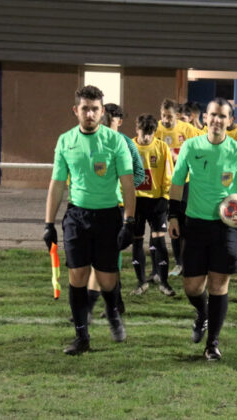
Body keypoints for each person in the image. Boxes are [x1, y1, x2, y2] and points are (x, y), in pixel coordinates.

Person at [43, 85, 136, 355]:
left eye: (95, 109)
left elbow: (128, 185)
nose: (90, 113)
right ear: (76, 110)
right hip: (76, 216)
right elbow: (57, 184)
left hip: (109, 216)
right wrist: (48, 223)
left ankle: (112, 311)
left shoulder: (115, 141)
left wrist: (129, 222)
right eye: (85, 108)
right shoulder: (65, 141)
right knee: (78, 276)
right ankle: (81, 338)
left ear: (102, 111)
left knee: (107, 280)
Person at [168, 98, 237, 361]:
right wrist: (173, 216)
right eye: (213, 115)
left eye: (223, 116)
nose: (217, 120)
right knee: (192, 287)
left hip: (226, 228)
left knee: (219, 284)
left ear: (230, 121)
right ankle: (202, 313)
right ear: (205, 118)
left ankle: (212, 344)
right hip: (195, 224)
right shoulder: (191, 146)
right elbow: (176, 184)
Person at [80, 103, 146, 321]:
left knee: (110, 258)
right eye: (106, 117)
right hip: (95, 206)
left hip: (116, 207)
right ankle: (115, 304)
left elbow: (138, 173)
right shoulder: (94, 142)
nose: (109, 121)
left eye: (113, 118)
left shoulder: (127, 143)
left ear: (120, 121)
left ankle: (111, 306)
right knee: (96, 257)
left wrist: (122, 187)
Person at [130, 114, 176, 295]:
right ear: (137, 129)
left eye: (150, 133)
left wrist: (165, 198)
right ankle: (141, 283)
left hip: (156, 202)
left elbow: (168, 175)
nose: (147, 136)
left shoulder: (162, 147)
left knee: (159, 242)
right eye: (144, 132)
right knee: (137, 242)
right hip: (135, 201)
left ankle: (164, 283)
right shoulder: (129, 147)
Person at [155, 98, 201, 277]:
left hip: (186, 183)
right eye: (163, 116)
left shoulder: (188, 130)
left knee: (186, 222)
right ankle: (178, 263)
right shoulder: (156, 129)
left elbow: (201, 148)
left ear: (178, 115)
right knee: (172, 223)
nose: (165, 120)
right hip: (165, 184)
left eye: (169, 116)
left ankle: (189, 260)